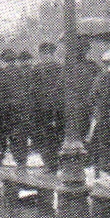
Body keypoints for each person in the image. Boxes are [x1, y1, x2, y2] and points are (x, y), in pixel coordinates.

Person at [28, 41, 65, 172]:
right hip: (59, 108)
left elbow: (32, 90)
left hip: (42, 109)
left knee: (45, 135)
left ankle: (50, 163)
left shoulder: (37, 68)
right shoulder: (61, 67)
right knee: (58, 134)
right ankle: (58, 163)